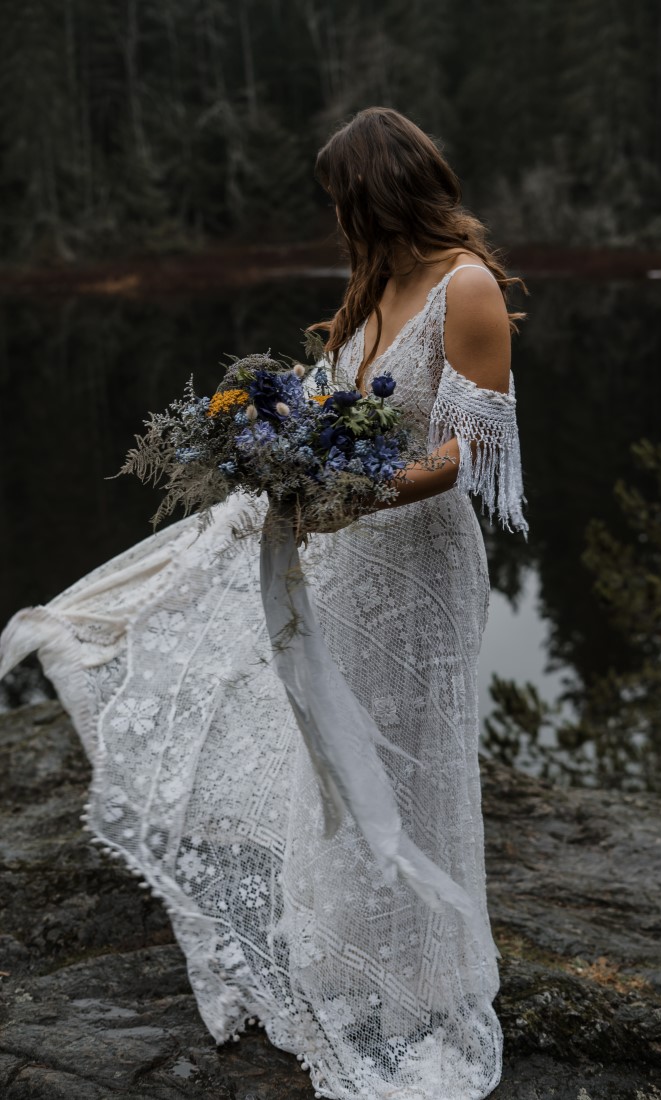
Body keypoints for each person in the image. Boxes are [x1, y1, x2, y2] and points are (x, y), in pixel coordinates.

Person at [0, 106, 528, 1099]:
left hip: (415, 568)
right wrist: (281, 452)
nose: (335, 218)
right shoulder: (373, 287)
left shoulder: (466, 288)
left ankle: (417, 982)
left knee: (406, 757)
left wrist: (353, 491)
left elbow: (472, 454)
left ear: (377, 191)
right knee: (330, 749)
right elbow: (341, 406)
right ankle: (344, 957)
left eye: (341, 198)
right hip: (339, 561)